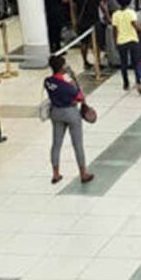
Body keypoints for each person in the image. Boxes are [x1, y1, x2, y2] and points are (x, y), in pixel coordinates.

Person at [43, 55, 93, 185]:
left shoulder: (48, 81)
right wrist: (74, 84)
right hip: (71, 113)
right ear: (62, 68)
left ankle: (55, 174)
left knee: (56, 144)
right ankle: (83, 173)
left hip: (55, 113)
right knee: (77, 144)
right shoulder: (67, 85)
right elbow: (79, 97)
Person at [112, 0, 141, 94]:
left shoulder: (115, 15)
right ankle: (138, 82)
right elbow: (136, 27)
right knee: (136, 62)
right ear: (129, 1)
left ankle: (126, 83)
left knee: (123, 63)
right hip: (133, 40)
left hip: (121, 41)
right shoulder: (131, 13)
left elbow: (114, 30)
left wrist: (115, 42)